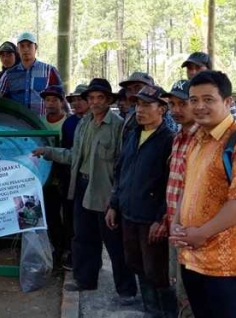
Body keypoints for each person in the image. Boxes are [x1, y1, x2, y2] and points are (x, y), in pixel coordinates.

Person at [170, 71, 236, 318]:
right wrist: (176, 222)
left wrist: (201, 234)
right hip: (193, 256)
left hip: (228, 264)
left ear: (228, 102)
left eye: (208, 99)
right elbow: (186, 186)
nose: (199, 106)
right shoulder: (196, 140)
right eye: (193, 100)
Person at [34, 79, 137, 303]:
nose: (95, 102)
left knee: (114, 242)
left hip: (105, 189)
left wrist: (115, 198)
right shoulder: (84, 124)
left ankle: (126, 291)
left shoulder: (119, 126)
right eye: (91, 98)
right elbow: (73, 156)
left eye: (100, 98)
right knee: (82, 236)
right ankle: (85, 280)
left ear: (109, 101)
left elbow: (123, 165)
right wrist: (48, 151)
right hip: (81, 184)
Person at [106, 85, 175, 317]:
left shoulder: (169, 140)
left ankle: (165, 312)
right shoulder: (133, 134)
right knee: (136, 265)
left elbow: (171, 185)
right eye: (138, 104)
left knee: (157, 271)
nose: (140, 110)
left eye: (147, 105)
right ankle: (149, 309)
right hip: (128, 214)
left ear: (162, 109)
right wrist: (114, 204)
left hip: (150, 219)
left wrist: (160, 219)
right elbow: (121, 171)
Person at [163, 80, 199, 318]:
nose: (176, 109)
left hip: (193, 230)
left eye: (182, 103)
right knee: (177, 284)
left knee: (192, 290)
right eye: (172, 104)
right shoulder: (178, 137)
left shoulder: (202, 140)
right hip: (174, 224)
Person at [57, 83, 89, 269]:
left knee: (87, 221)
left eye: (80, 99)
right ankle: (72, 253)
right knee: (69, 216)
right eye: (73, 100)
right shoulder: (69, 123)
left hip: (89, 179)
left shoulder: (95, 122)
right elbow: (66, 150)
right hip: (70, 176)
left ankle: (87, 259)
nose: (76, 103)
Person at [0, 32, 62, 117]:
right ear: (18, 50)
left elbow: (61, 97)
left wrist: (66, 119)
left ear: (35, 47)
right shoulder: (8, 74)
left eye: (29, 45)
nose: (26, 49)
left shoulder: (49, 70)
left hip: (42, 125)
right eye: (22, 46)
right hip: (17, 125)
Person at [38, 85, 69, 266]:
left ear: (61, 102)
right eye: (47, 100)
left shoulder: (68, 122)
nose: (50, 103)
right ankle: (56, 249)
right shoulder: (39, 122)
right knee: (51, 215)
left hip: (63, 176)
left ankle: (67, 249)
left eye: (54, 100)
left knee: (67, 214)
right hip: (44, 177)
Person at [181, 51, 236, 119]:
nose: (193, 72)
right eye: (190, 68)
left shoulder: (219, 90)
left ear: (209, 69)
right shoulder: (181, 91)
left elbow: (232, 122)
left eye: (198, 67)